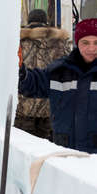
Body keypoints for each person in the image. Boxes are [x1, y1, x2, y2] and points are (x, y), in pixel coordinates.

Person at [18, 18, 97, 168]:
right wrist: (19, 69)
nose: (91, 48)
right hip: (67, 161)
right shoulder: (59, 71)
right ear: (77, 43)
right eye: (85, 43)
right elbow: (32, 84)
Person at [15, 9, 70, 140]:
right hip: (50, 108)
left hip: (24, 107)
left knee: (24, 150)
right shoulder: (61, 43)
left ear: (29, 21)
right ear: (46, 21)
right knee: (46, 152)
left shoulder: (20, 42)